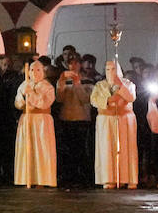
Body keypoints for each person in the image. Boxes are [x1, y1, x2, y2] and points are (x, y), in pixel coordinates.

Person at [92, 60, 137, 189]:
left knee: (125, 148)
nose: (111, 72)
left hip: (123, 120)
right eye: (108, 69)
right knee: (107, 149)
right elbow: (94, 100)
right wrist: (109, 100)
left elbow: (131, 97)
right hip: (106, 121)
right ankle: (109, 178)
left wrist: (120, 87)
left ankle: (128, 178)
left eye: (113, 69)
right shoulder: (100, 85)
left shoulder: (128, 84)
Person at [13, 60, 57, 187]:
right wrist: (22, 95)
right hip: (27, 119)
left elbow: (45, 103)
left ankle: (42, 179)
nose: (34, 73)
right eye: (31, 70)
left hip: (42, 121)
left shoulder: (47, 86)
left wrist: (32, 94)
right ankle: (27, 177)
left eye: (38, 70)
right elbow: (17, 103)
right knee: (27, 149)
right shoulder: (24, 84)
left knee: (41, 149)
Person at [54, 54, 93, 188]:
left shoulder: (88, 81)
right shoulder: (63, 81)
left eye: (76, 63)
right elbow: (59, 99)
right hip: (66, 119)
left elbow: (85, 99)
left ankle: (82, 176)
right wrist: (61, 84)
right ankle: (68, 176)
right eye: (71, 64)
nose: (73, 66)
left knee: (81, 149)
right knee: (67, 150)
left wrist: (77, 84)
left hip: (82, 119)